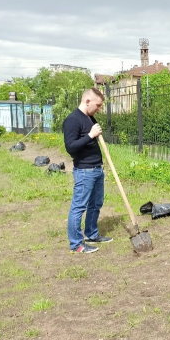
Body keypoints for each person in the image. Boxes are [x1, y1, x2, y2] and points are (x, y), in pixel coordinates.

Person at [63, 88, 113, 254]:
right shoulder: (72, 120)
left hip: (97, 169)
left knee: (96, 204)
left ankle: (91, 234)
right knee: (79, 207)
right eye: (97, 105)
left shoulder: (89, 118)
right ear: (87, 101)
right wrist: (90, 135)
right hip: (84, 171)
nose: (99, 109)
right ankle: (76, 244)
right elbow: (70, 147)